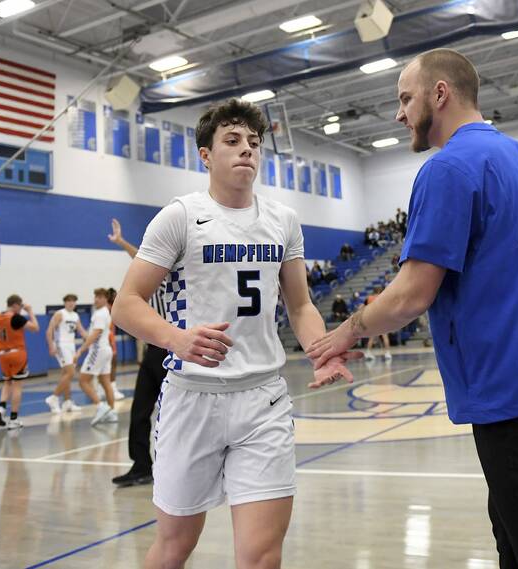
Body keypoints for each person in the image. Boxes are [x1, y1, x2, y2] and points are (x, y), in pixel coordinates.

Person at [308, 48, 518, 569]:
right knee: (516, 538)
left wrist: (346, 333)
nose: (399, 113)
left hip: (517, 392)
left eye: (405, 99)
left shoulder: (448, 168)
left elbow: (411, 294)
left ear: (441, 94)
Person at [111, 98, 357, 569]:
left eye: (253, 142)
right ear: (206, 155)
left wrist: (319, 350)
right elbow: (126, 303)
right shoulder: (180, 216)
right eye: (232, 140)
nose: (246, 149)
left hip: (262, 399)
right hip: (191, 398)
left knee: (262, 556)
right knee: (174, 547)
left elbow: (301, 305)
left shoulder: (283, 221)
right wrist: (177, 339)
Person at [108, 218, 169, 488]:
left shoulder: (172, 270)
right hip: (152, 350)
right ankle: (141, 465)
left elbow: (139, 255)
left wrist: (123, 243)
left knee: (172, 414)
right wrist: (121, 242)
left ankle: (175, 468)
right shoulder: (147, 272)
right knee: (139, 411)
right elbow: (139, 257)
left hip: (172, 348)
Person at [0, 295, 40, 429]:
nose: (21, 309)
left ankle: (1, 408)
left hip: (2, 354)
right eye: (20, 307)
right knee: (17, 386)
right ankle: (13, 419)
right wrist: (30, 311)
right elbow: (35, 328)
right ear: (15, 305)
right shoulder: (16, 317)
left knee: (7, 382)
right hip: (17, 354)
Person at [75, 288, 117, 426]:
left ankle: (100, 406)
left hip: (98, 350)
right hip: (105, 350)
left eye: (99, 297)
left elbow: (95, 335)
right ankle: (111, 412)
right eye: (95, 297)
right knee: (105, 382)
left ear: (105, 299)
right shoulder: (105, 313)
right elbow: (92, 333)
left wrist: (80, 351)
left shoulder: (100, 313)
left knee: (83, 380)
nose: (96, 299)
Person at [45, 294, 87, 413]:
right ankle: (53, 398)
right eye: (68, 301)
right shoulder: (60, 314)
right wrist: (51, 345)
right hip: (61, 345)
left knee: (66, 374)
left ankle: (67, 402)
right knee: (71, 372)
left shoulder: (75, 315)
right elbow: (49, 330)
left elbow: (82, 331)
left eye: (73, 301)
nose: (71, 303)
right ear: (64, 302)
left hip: (71, 345)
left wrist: (91, 339)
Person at [363, 286, 391, 361]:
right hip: (381, 318)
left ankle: (368, 352)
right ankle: (387, 353)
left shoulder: (369, 298)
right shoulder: (382, 297)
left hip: (372, 319)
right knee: (385, 336)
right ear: (379, 291)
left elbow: (362, 307)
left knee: (372, 337)